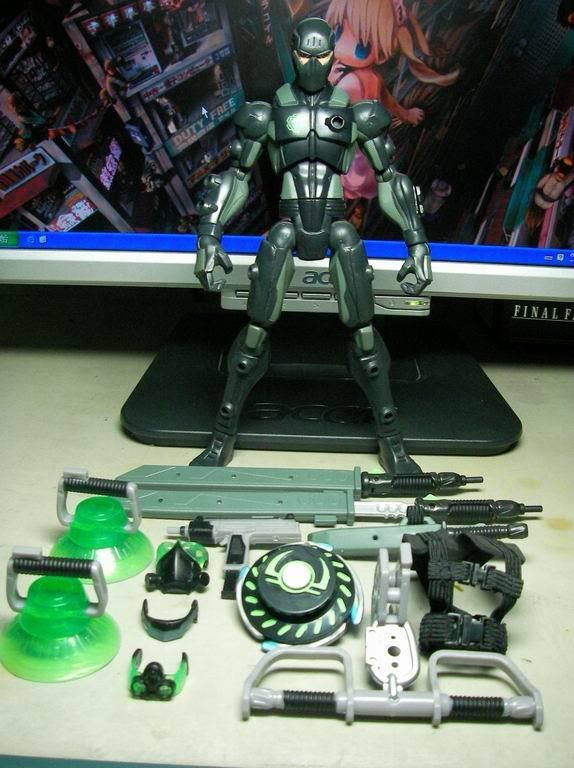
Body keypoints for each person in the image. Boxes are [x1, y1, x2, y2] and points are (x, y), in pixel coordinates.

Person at [191, 17, 432, 475]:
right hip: (287, 226)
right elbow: (235, 178)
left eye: (322, 55)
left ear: (332, 55)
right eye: (305, 54)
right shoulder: (266, 114)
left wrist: (416, 242)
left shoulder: (357, 114)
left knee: (364, 332)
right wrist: (209, 234)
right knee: (256, 329)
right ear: (293, 52)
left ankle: (393, 444)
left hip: (337, 226)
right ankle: (221, 437)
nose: (313, 63)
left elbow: (390, 180)